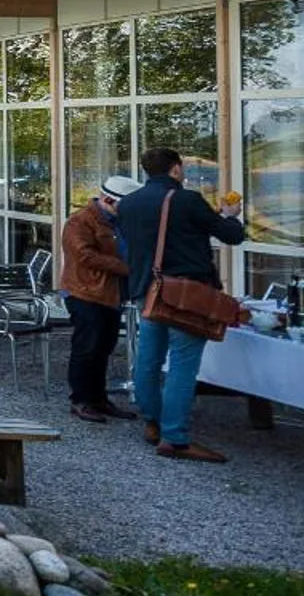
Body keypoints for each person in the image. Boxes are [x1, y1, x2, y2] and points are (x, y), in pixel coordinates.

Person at [115, 147, 246, 462]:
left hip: (147, 291)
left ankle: (153, 422)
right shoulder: (187, 200)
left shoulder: (129, 204)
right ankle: (174, 437)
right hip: (184, 294)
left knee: (148, 360)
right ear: (175, 169)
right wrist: (229, 216)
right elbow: (230, 236)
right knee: (183, 367)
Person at [60, 174, 139, 423]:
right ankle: (81, 399)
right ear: (107, 200)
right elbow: (86, 256)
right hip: (85, 292)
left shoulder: (118, 222)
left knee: (104, 347)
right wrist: (129, 268)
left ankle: (98, 398)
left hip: (110, 293)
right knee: (87, 347)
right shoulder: (80, 222)